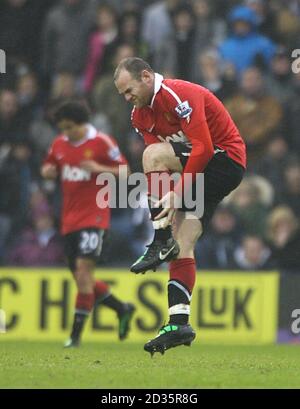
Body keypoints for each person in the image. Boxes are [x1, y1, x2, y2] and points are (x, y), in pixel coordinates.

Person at [114, 57, 246, 355]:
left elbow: (204, 147)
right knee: (182, 241)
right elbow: (167, 164)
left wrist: (177, 192)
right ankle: (179, 322)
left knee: (151, 155)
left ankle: (158, 241)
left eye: (128, 90)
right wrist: (174, 192)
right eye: (122, 94)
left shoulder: (177, 94)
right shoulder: (140, 116)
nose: (127, 99)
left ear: (146, 76)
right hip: (201, 172)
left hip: (226, 160)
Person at [41, 100, 135, 348]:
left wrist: (98, 168)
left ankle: (74, 337)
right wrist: (48, 172)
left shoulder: (101, 142)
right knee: (84, 279)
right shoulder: (59, 143)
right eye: (63, 128)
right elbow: (49, 166)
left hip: (94, 216)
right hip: (68, 220)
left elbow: (126, 172)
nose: (67, 132)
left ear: (83, 124)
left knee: (84, 274)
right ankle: (122, 308)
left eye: (70, 127)